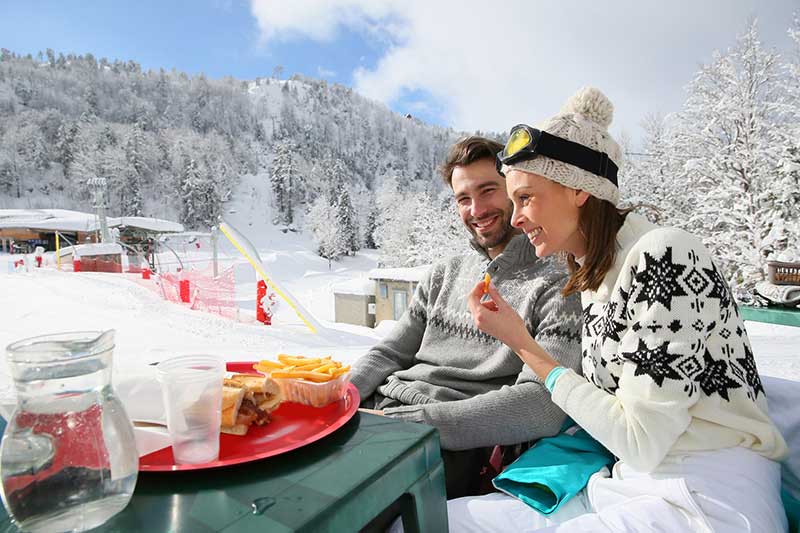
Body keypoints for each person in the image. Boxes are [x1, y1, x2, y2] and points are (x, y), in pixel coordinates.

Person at [449, 87, 789, 531]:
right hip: (630, 483)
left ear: (580, 190)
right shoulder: (599, 276)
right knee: (444, 519)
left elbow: (641, 439)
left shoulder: (664, 256)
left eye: (527, 198)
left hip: (706, 492)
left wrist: (524, 346)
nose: (515, 218)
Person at [351, 136, 583, 499]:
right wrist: (342, 396)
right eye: (463, 198)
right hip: (378, 411)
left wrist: (411, 426)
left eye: (488, 190)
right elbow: (389, 354)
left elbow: (543, 404)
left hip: (447, 439)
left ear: (516, 191)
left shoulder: (558, 284)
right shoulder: (443, 274)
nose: (476, 209)